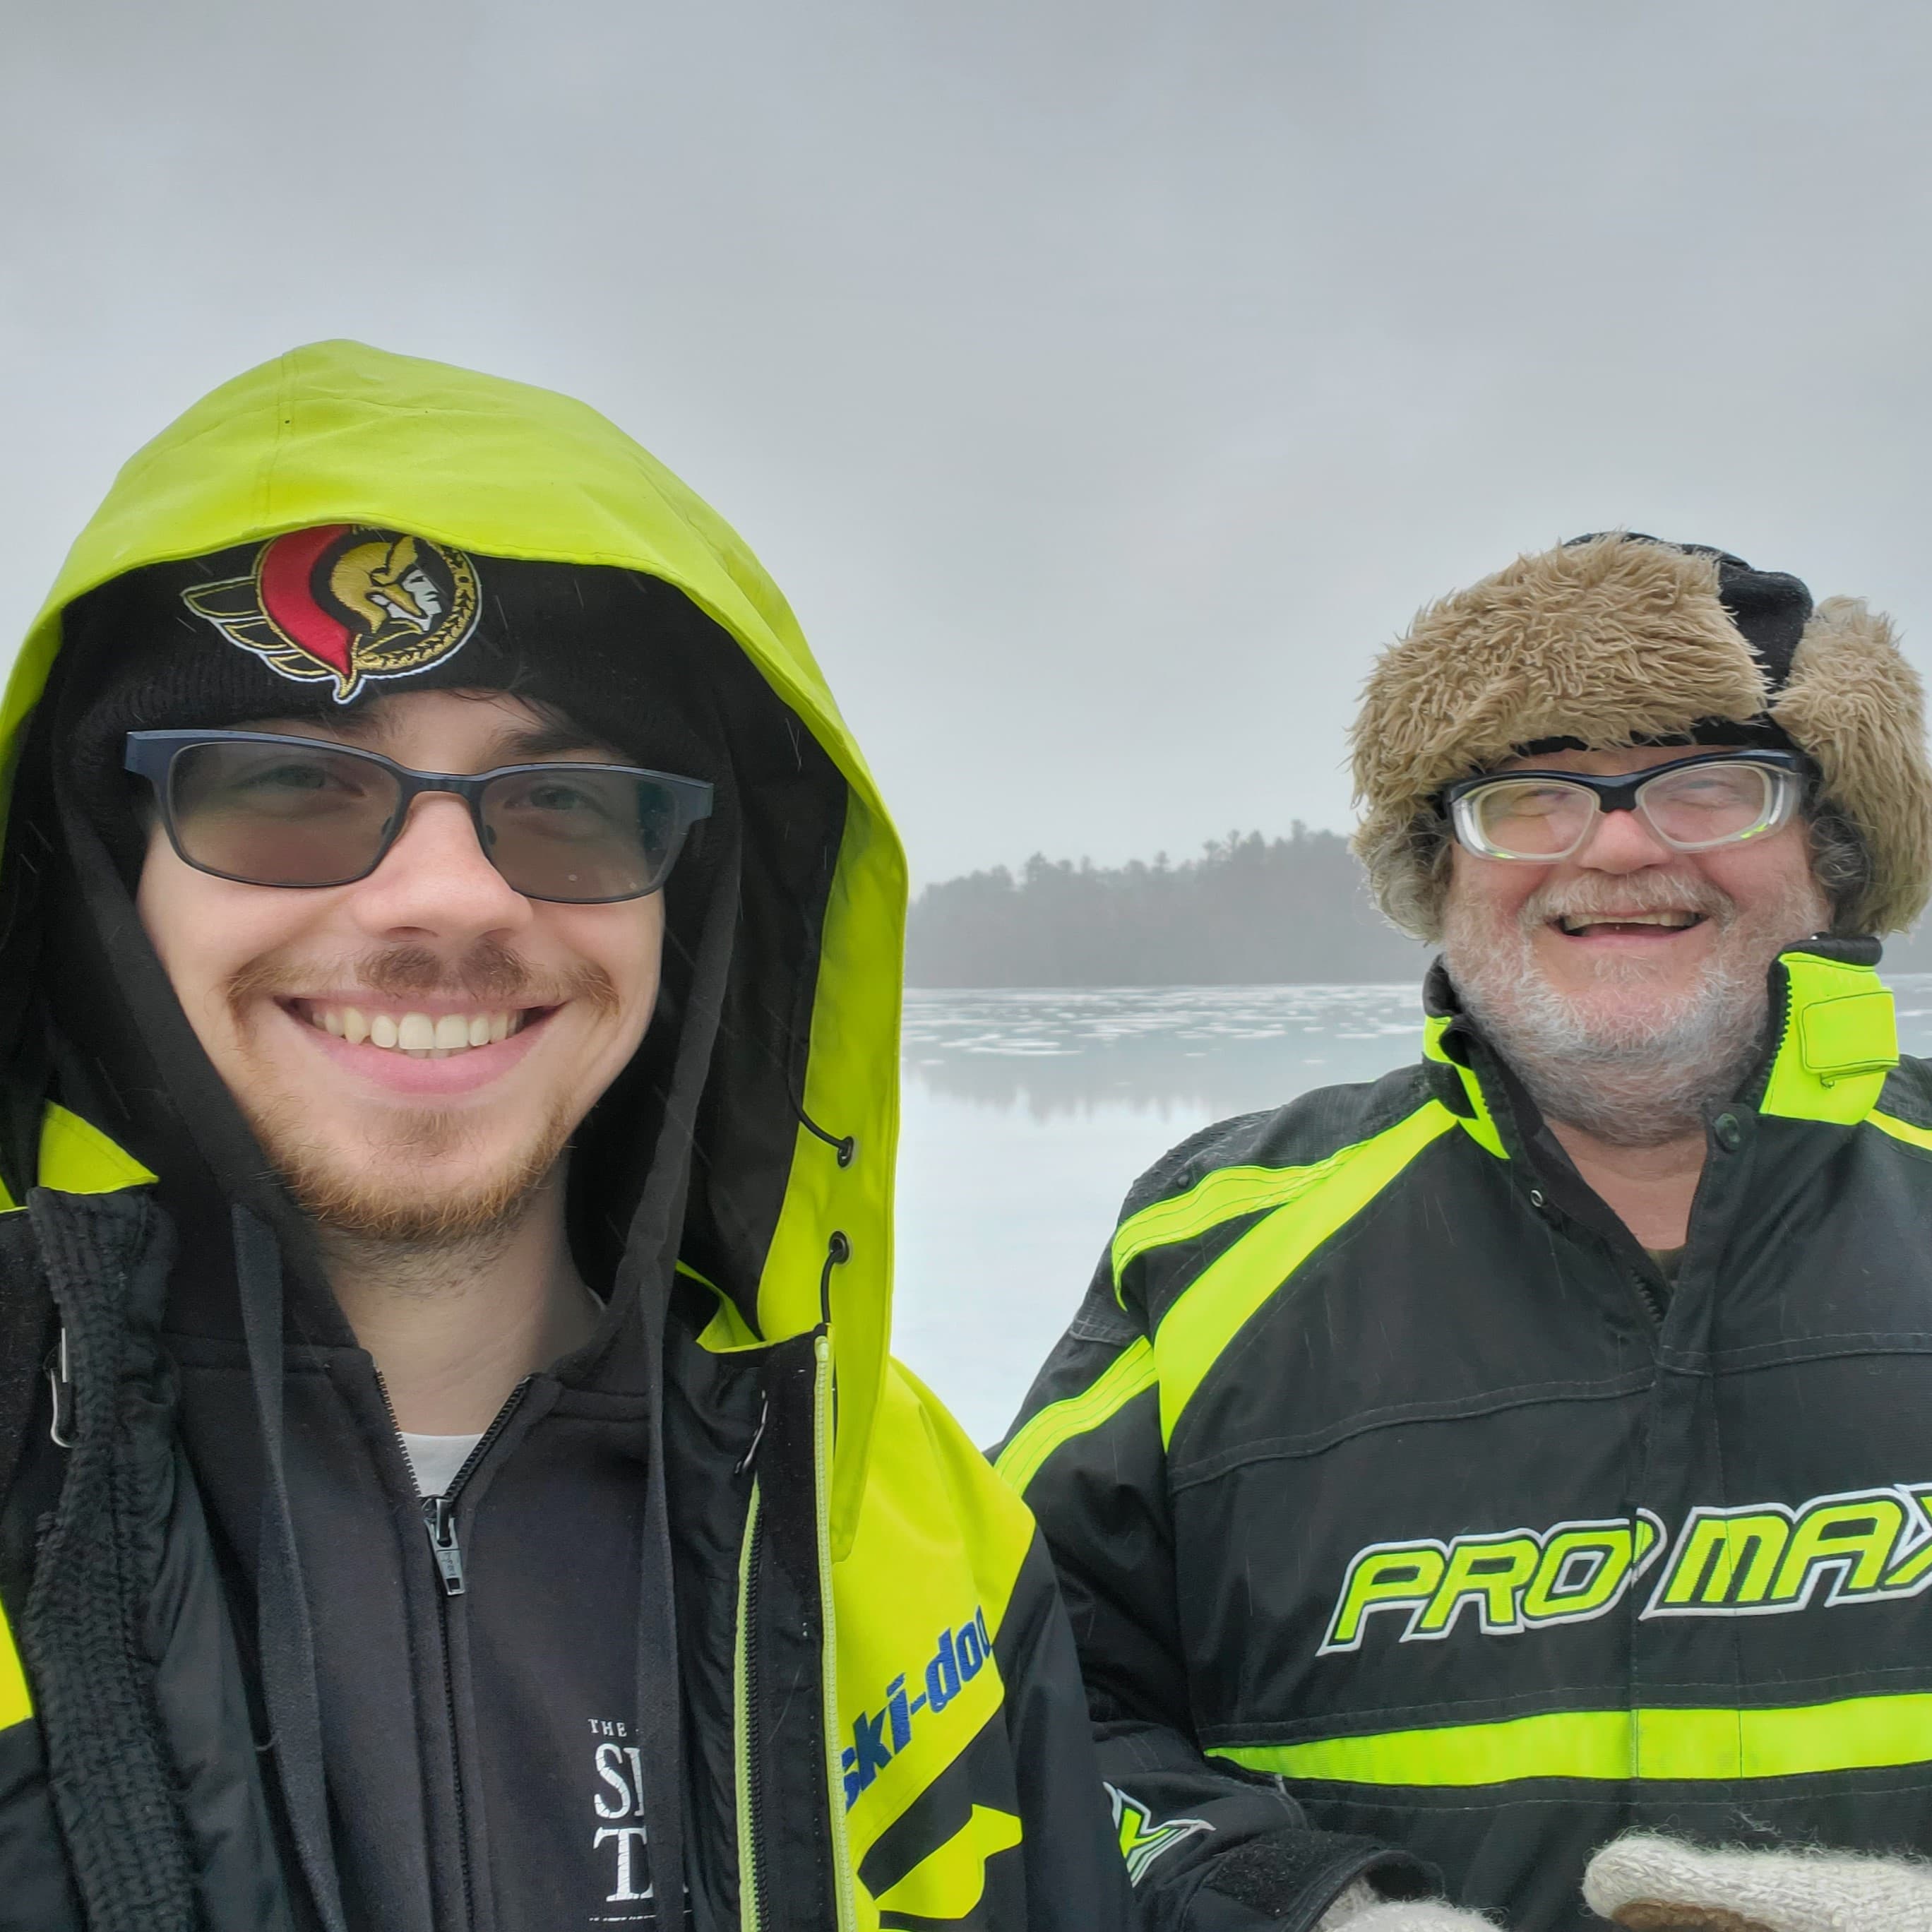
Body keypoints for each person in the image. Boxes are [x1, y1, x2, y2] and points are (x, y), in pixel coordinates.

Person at [0, 339, 1132, 1932]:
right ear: (112, 891)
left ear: (693, 908)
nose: (449, 895)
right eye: (285, 789)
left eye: (565, 806)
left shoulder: (911, 1520)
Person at [998, 533, 1932, 1929]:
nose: (1619, 843)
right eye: (1532, 796)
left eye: (1711, 785)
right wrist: (1296, 1908)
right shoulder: (1217, 1241)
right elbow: (1004, 1694)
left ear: (1836, 856)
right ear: (1444, 870)